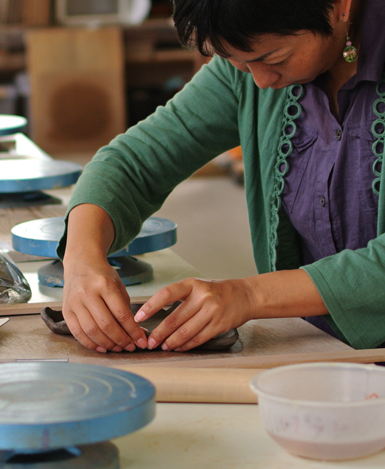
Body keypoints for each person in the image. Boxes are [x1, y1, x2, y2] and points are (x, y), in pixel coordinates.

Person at [57, 0, 385, 354]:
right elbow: (133, 161)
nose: (259, 80)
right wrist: (81, 260)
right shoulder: (246, 69)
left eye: (274, 59)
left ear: (340, 5)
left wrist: (252, 294)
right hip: (319, 353)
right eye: (238, 63)